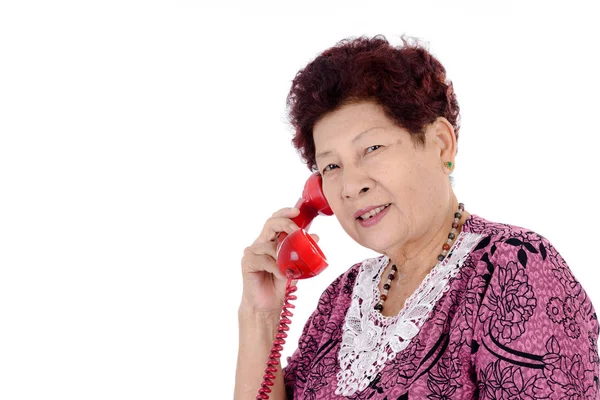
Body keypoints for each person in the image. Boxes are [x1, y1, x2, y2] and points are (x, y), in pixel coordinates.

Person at [234, 35, 600, 399]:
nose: (350, 185)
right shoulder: (343, 298)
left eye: (372, 148)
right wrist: (260, 316)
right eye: (331, 166)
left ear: (441, 143)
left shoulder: (515, 267)